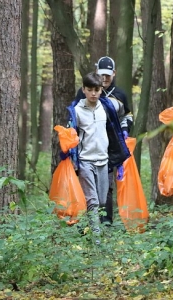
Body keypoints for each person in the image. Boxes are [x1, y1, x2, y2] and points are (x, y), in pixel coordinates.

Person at [66, 72, 130, 241]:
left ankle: (87, 227)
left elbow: (125, 113)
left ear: (101, 90)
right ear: (84, 90)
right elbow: (71, 136)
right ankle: (96, 239)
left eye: (97, 89)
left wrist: (122, 140)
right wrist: (73, 160)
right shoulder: (77, 111)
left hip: (104, 160)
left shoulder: (107, 107)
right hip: (85, 161)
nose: (93, 93)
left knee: (102, 200)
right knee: (93, 200)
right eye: (90, 90)